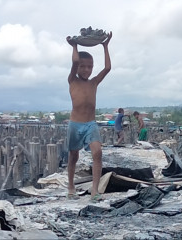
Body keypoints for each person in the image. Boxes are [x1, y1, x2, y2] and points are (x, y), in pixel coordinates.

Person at [66, 31, 112, 202]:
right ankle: (71, 186)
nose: (86, 69)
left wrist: (105, 46)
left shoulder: (94, 82)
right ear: (77, 68)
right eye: (83, 66)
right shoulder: (72, 80)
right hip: (75, 124)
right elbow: (75, 60)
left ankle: (95, 190)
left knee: (97, 152)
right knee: (73, 156)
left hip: (90, 124)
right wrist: (75, 45)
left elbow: (107, 68)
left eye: (90, 67)